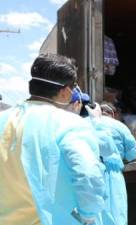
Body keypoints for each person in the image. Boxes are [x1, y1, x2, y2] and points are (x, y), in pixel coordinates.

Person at [0, 54, 106, 225]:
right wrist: (87, 216)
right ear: (65, 92)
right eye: (74, 87)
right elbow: (88, 175)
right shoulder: (68, 123)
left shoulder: (3, 118)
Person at [69, 93, 136, 225]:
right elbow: (132, 154)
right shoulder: (119, 126)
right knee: (116, 214)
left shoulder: (79, 124)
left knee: (92, 216)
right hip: (112, 175)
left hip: (87, 171)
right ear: (113, 114)